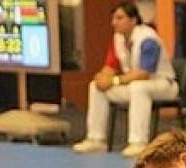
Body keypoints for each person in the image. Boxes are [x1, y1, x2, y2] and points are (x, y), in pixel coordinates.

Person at [72, 2, 178, 157]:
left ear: (133, 20)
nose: (114, 23)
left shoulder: (148, 39)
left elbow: (144, 74)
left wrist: (113, 81)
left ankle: (138, 142)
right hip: (135, 85)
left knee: (138, 87)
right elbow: (110, 67)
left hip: (164, 85)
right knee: (96, 87)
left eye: (119, 18)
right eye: (113, 18)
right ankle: (95, 139)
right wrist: (102, 78)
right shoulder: (118, 39)